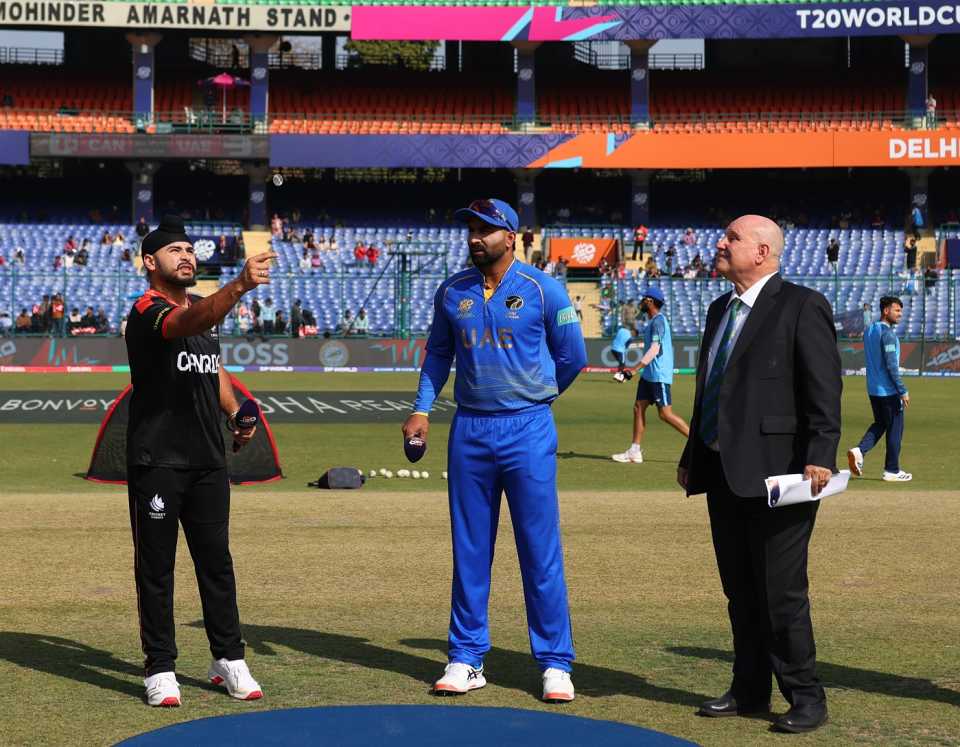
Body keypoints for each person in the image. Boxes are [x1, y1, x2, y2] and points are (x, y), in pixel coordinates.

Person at [402, 198, 587, 703]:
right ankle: (466, 657)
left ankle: (554, 663)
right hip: (470, 430)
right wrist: (421, 408)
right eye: (470, 229)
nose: (474, 238)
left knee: (538, 548)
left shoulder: (542, 289)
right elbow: (439, 354)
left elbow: (573, 356)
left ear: (511, 236)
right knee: (470, 549)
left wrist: (537, 395)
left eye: (485, 229)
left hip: (527, 429)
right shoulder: (452, 290)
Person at [677, 215, 840, 734]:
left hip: (783, 476)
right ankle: (748, 689)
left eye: (731, 238)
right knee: (740, 589)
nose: (719, 244)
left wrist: (820, 453)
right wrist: (692, 454)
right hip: (724, 470)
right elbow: (711, 393)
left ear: (763, 252)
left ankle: (806, 696)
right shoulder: (718, 309)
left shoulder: (801, 304)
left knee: (781, 592)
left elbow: (823, 387)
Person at [124, 214, 275, 707]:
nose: (187, 256)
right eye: (175, 251)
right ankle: (161, 666)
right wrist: (238, 286)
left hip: (209, 459)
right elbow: (189, 324)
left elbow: (209, 366)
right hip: (158, 462)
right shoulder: (148, 310)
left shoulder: (200, 313)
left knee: (216, 564)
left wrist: (237, 411)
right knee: (157, 568)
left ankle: (228, 658)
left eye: (190, 250)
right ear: (151, 262)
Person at [611, 287, 690, 463]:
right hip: (649, 375)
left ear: (650, 301)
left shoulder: (658, 322)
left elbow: (655, 349)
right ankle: (634, 451)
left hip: (658, 376)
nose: (641, 302)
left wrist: (634, 369)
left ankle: (699, 445)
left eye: (644, 299)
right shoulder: (653, 322)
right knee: (639, 407)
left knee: (665, 414)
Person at [848, 296, 911, 482]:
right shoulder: (888, 334)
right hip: (888, 391)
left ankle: (859, 450)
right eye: (897, 310)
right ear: (886, 311)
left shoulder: (870, 330)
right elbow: (892, 366)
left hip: (873, 389)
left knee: (881, 423)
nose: (900, 314)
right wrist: (902, 390)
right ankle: (892, 470)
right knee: (895, 429)